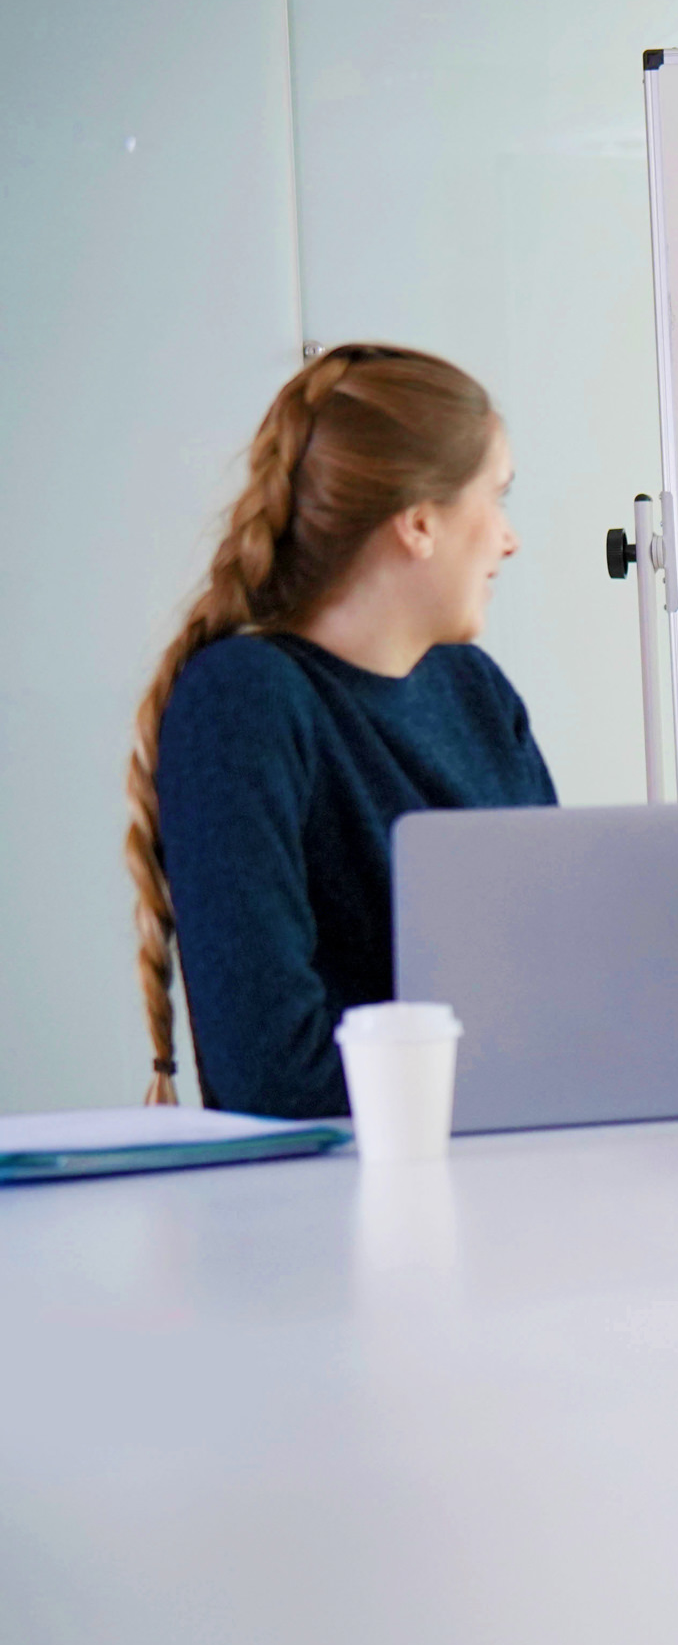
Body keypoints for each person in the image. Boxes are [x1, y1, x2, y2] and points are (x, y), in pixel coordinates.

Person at [127, 345, 554, 1118]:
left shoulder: (475, 690)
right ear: (420, 522)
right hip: (333, 1207)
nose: (509, 538)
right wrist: (531, 1071)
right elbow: (270, 1074)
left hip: (511, 1166)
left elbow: (560, 972)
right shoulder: (244, 702)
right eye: (497, 498)